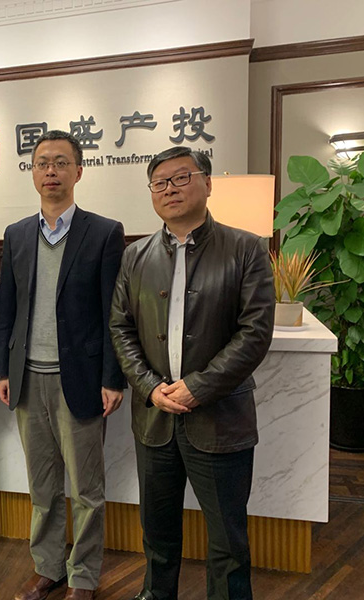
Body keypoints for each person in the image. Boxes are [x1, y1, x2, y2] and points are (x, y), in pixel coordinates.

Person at [109, 146, 275, 600]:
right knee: (156, 529)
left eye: (181, 178)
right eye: (159, 182)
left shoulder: (246, 249)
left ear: (207, 183)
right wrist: (149, 388)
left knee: (227, 538)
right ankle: (156, 593)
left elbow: (255, 333)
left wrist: (199, 387)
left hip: (220, 419)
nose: (170, 189)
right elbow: (120, 327)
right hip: (155, 419)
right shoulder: (135, 255)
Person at [0, 130, 126, 600]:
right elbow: (7, 310)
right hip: (28, 379)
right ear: (33, 172)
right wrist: (4, 369)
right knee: (42, 487)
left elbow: (115, 313)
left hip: (82, 381)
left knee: (87, 490)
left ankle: (83, 577)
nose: (50, 171)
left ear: (78, 171)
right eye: (42, 163)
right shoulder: (17, 234)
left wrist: (113, 378)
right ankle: (47, 568)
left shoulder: (104, 232)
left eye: (60, 163)